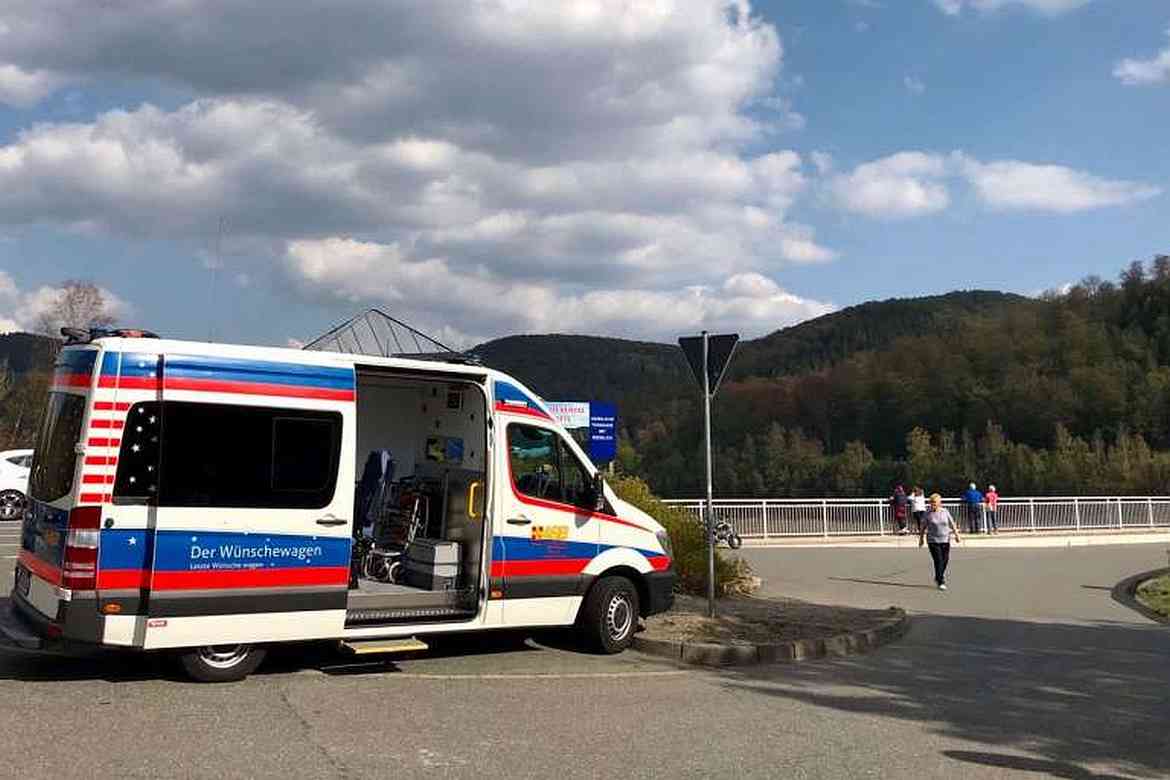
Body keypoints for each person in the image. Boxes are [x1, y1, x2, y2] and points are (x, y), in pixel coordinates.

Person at [919, 492, 962, 589]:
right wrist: (921, 539)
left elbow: (952, 523)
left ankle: (938, 576)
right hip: (933, 541)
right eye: (931, 502)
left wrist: (957, 535)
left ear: (939, 503)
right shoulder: (927, 513)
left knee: (945, 560)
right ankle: (940, 581)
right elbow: (923, 527)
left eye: (935, 502)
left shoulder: (945, 511)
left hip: (945, 539)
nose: (933, 504)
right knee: (938, 560)